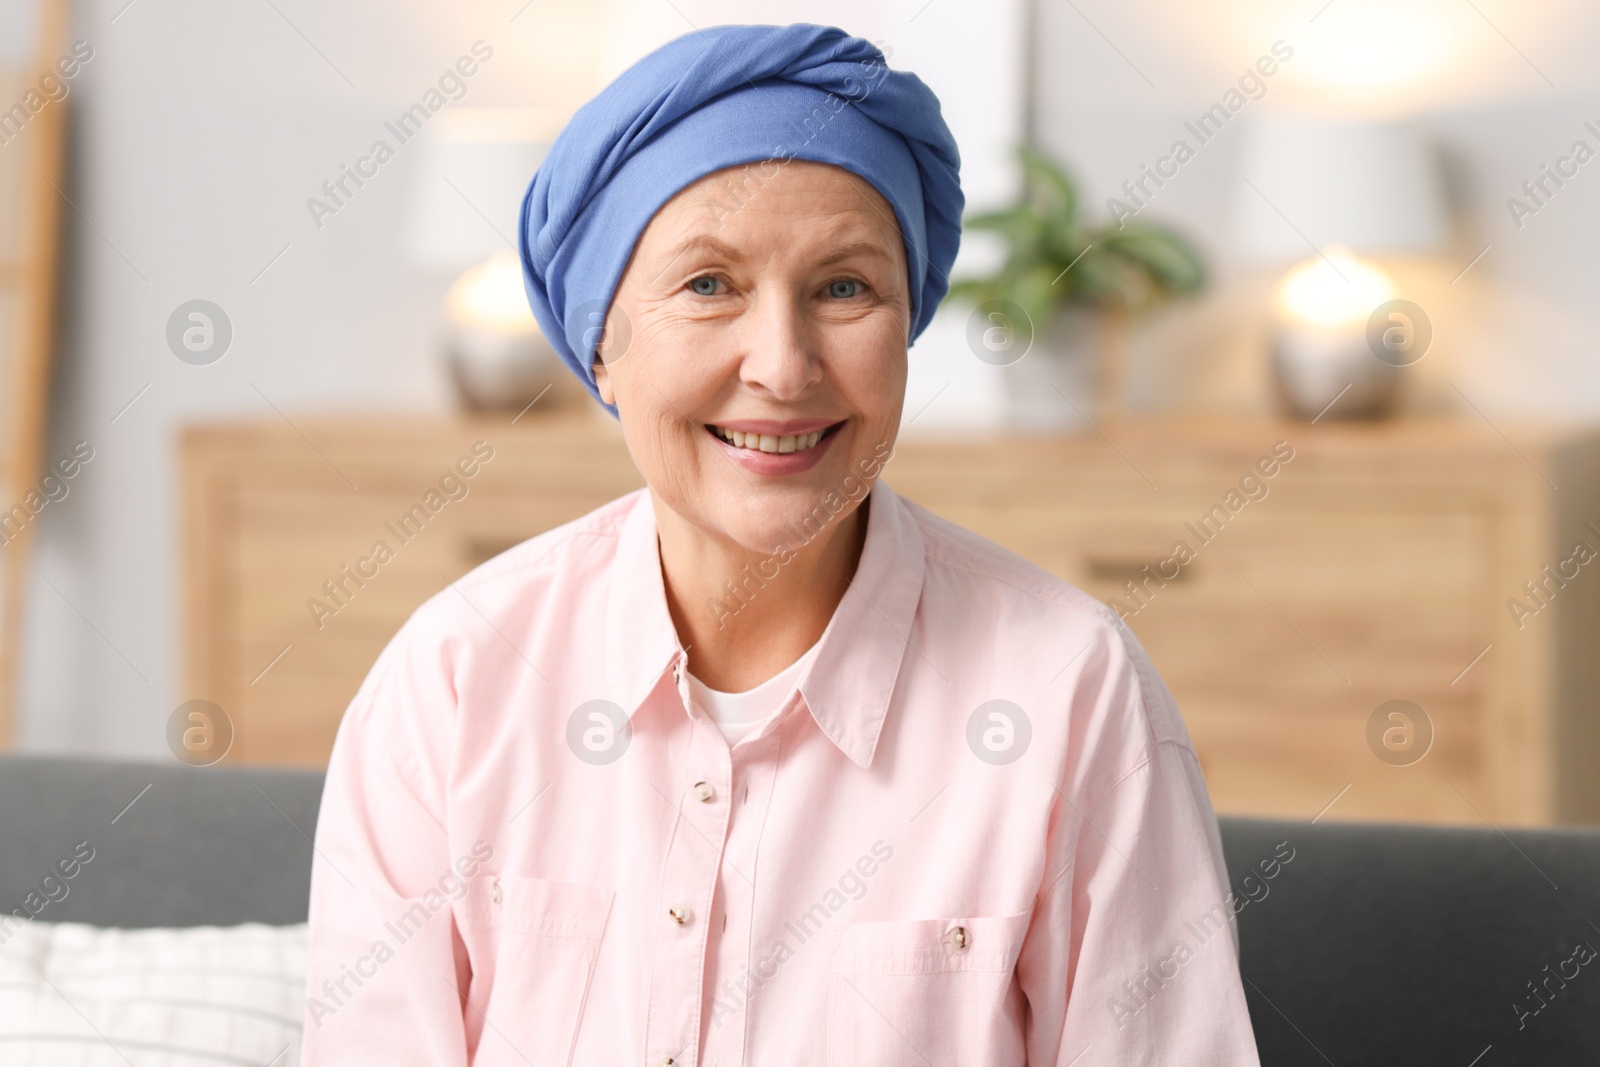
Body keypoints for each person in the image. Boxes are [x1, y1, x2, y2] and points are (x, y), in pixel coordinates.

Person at [301, 22, 1260, 1066]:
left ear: (906, 324)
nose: (783, 364)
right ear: (602, 344)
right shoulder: (452, 682)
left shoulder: (1069, 691)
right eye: (707, 284)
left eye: (844, 287)